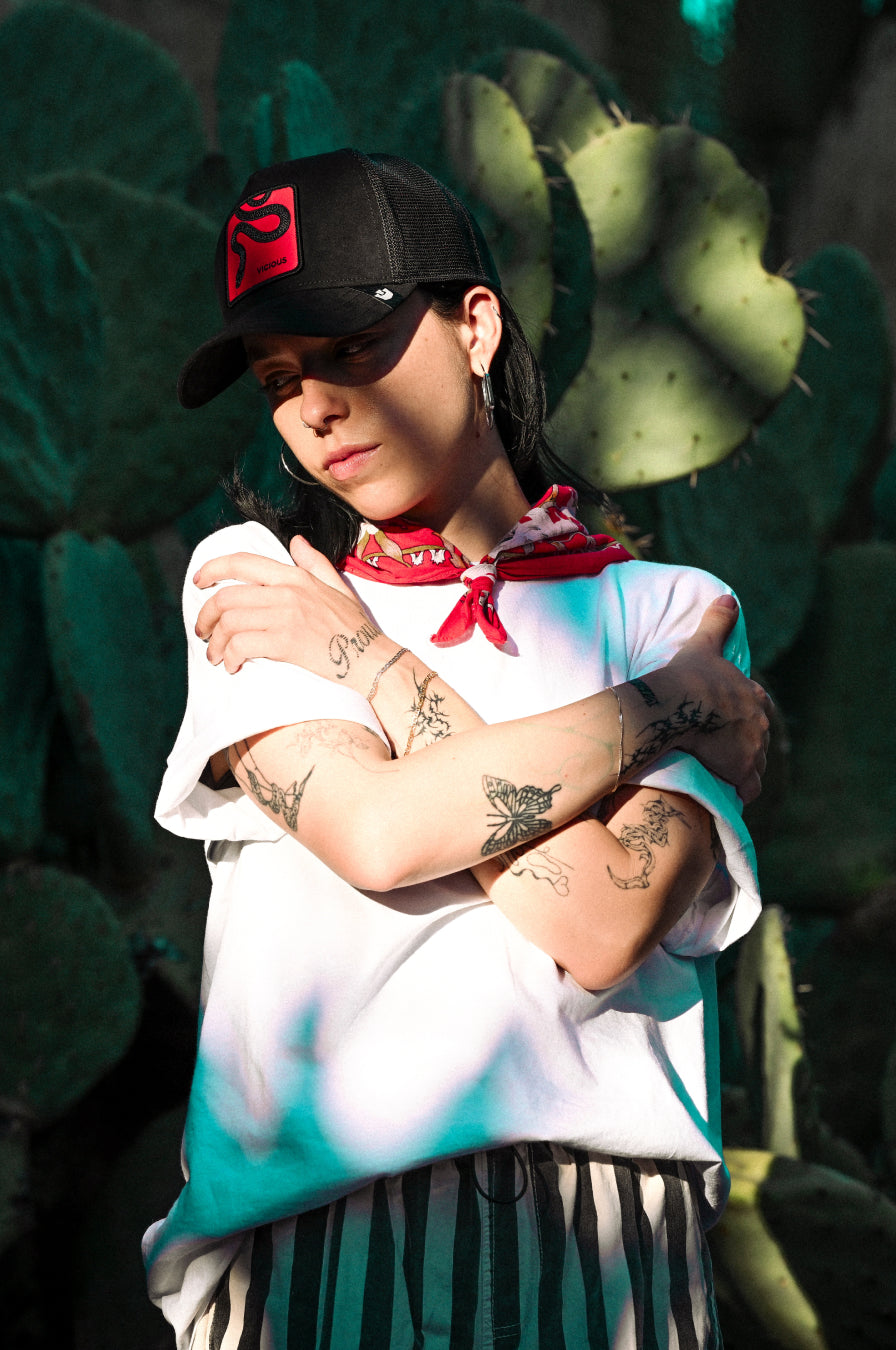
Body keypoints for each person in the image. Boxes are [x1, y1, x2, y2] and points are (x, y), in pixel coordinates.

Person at [144, 148, 770, 1350]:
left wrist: (377, 677)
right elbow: (378, 834)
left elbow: (598, 920)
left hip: (608, 1262)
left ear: (476, 325)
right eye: (280, 378)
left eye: (349, 350)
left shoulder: (669, 609)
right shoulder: (263, 584)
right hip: (312, 1267)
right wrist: (662, 705)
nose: (316, 406)